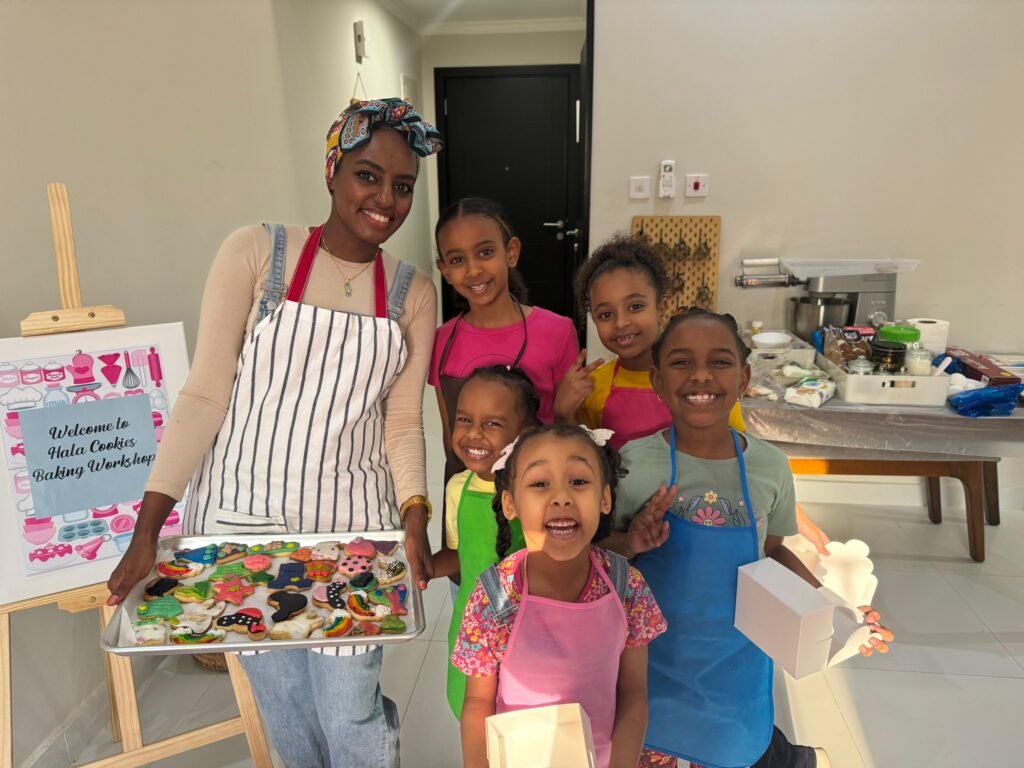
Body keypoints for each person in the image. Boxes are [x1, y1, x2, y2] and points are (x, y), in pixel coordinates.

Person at [105, 98, 443, 768]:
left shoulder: (412, 293)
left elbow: (401, 421)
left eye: (402, 186)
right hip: (245, 526)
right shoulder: (258, 253)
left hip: (354, 531)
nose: (385, 199)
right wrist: (150, 529)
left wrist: (414, 513)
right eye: (367, 176)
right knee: (284, 708)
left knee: (349, 709)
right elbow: (204, 395)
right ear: (332, 171)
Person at [606, 309, 895, 768]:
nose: (701, 374)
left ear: (742, 378)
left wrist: (835, 608)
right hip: (649, 668)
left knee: (734, 750)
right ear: (658, 381)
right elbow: (603, 555)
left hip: (736, 665)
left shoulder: (770, 467)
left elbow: (776, 550)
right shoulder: (633, 463)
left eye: (719, 362)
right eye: (681, 362)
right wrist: (632, 540)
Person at [560, 233, 831, 552]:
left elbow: (747, 462)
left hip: (708, 514)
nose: (622, 323)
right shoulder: (596, 387)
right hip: (629, 532)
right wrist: (563, 411)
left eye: (635, 306)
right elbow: (580, 459)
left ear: (661, 309)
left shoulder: (707, 388)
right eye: (606, 315)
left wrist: (792, 512)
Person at [454, 424, 667, 768]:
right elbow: (478, 702)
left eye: (579, 481)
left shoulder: (627, 586)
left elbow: (633, 693)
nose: (562, 496)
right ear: (510, 503)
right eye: (540, 484)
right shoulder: (494, 597)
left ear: (605, 497)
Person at [429, 197, 579, 549]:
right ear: (444, 270)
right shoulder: (441, 341)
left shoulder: (557, 332)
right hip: (471, 509)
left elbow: (570, 438)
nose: (474, 270)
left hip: (540, 509)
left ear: (511, 252)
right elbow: (451, 437)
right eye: (457, 260)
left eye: (485, 252)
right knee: (470, 594)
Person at [430, 365, 539, 718]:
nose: (473, 434)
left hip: (528, 637)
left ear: (526, 433)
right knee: (475, 722)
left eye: (492, 424)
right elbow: (461, 555)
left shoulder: (538, 491)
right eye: (464, 420)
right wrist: (423, 565)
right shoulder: (457, 487)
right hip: (472, 633)